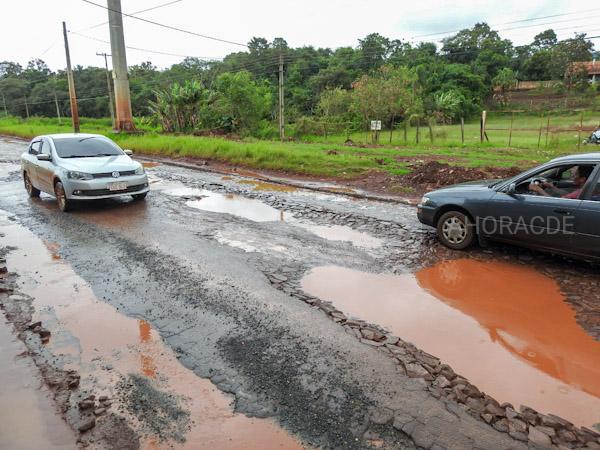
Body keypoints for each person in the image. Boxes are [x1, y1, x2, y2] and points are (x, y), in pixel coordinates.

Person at [528, 165, 594, 199]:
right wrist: (552, 187)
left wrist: (539, 190)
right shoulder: (591, 190)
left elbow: (557, 202)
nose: (573, 177)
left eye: (576, 174)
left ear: (582, 179)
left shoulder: (579, 193)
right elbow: (567, 195)